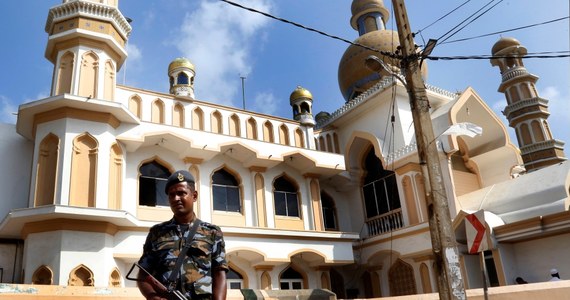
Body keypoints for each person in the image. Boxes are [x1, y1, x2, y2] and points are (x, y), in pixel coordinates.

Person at [137, 170, 228, 300]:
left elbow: (220, 273)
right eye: (171, 195)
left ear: (194, 196)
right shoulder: (157, 233)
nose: (176, 198)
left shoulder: (212, 232)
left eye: (181, 193)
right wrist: (155, 298)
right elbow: (142, 275)